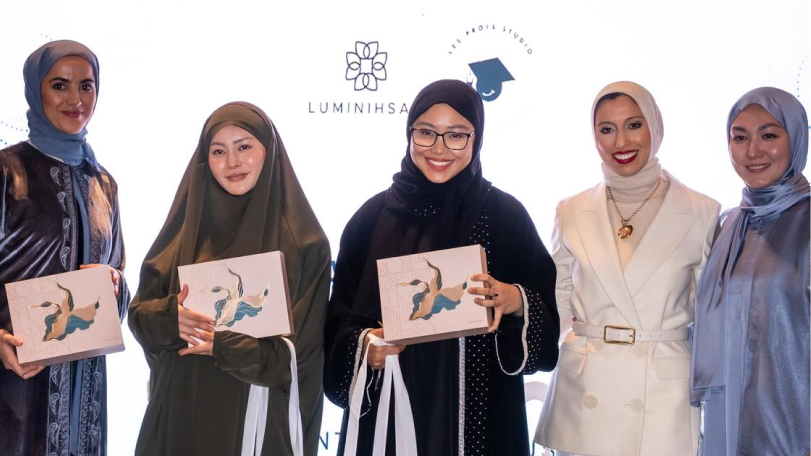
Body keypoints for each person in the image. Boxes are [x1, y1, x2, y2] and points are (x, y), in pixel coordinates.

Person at [324, 79, 560, 456]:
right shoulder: (372, 219)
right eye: (426, 133)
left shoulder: (504, 217)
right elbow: (337, 323)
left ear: (476, 137)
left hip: (484, 420)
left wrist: (515, 300)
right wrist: (365, 348)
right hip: (391, 413)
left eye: (456, 135)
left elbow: (547, 323)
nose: (439, 148)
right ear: (409, 133)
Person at [128, 102, 330, 456]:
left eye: (245, 147)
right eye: (218, 151)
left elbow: (301, 359)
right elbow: (138, 316)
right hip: (181, 415)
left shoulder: (305, 244)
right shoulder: (181, 234)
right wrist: (168, 318)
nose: (233, 162)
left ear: (269, 151)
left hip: (259, 424)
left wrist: (223, 345)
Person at [535, 81, 720, 456]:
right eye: (606, 129)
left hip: (660, 398)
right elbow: (555, 305)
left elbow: (712, 320)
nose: (621, 142)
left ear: (656, 125)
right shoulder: (570, 211)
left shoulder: (703, 212)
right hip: (585, 396)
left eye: (634, 125)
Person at [0, 40, 129, 456]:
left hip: (85, 397)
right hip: (14, 389)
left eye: (87, 86)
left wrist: (113, 286)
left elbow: (118, 280)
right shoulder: (7, 172)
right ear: (36, 90)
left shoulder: (103, 183)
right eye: (60, 85)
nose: (76, 100)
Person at [691, 87, 811, 455]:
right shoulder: (728, 224)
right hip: (725, 415)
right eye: (739, 138)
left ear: (798, 138)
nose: (753, 151)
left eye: (769, 135)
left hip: (793, 423)